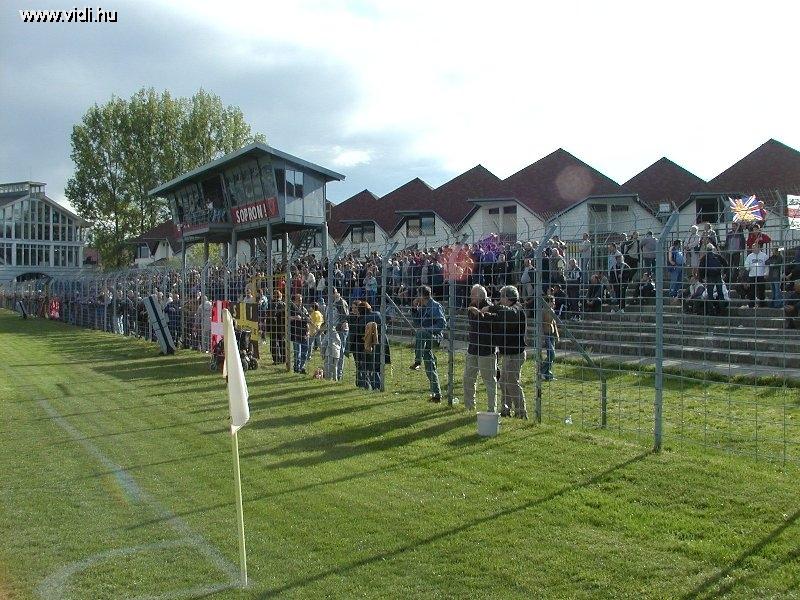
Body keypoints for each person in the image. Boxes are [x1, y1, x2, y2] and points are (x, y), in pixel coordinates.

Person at [484, 285, 527, 418]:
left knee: (512, 383)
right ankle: (505, 409)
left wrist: (491, 308)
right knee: (504, 382)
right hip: (508, 353)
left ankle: (521, 412)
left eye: (501, 297)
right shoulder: (506, 311)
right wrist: (485, 315)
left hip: (515, 354)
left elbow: (508, 314)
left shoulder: (517, 309)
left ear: (507, 298)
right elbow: (498, 320)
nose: (499, 300)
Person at [410, 285, 447, 402]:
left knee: (421, 333)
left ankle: (417, 361)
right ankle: (437, 395)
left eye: (417, 295)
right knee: (430, 365)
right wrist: (414, 308)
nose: (416, 297)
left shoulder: (435, 306)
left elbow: (442, 324)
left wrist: (427, 330)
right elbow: (417, 323)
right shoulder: (423, 307)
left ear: (421, 296)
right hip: (424, 339)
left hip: (435, 337)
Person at [463, 284, 497, 412]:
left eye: (472, 294)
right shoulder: (472, 307)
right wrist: (473, 312)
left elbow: (490, 326)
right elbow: (472, 322)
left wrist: (479, 314)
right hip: (473, 348)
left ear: (480, 295)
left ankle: (491, 409)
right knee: (468, 378)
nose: (470, 296)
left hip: (486, 350)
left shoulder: (490, 307)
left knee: (489, 380)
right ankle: (469, 406)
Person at [699, 243, 727, 315]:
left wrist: (702, 278)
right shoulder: (717, 256)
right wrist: (725, 273)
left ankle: (711, 311)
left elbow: (701, 268)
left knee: (710, 294)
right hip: (718, 275)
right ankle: (722, 310)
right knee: (720, 293)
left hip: (710, 276)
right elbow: (725, 263)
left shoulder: (704, 258)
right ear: (713, 249)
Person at [540, 294, 560, 382]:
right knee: (552, 354)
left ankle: (548, 374)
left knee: (550, 355)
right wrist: (541, 336)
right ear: (547, 302)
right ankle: (542, 370)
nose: (554, 304)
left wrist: (557, 335)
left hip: (551, 334)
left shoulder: (552, 310)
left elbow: (554, 323)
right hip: (546, 334)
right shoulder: (543, 311)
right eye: (552, 302)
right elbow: (540, 323)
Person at [289, 293, 310, 373]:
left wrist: (308, 331)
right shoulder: (291, 309)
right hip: (295, 334)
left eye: (301, 300)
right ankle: (296, 368)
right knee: (297, 353)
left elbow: (308, 320)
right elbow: (287, 318)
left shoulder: (304, 309)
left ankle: (301, 367)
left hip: (304, 334)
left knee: (305, 353)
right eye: (298, 300)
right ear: (294, 301)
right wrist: (295, 317)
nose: (300, 302)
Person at [744, 242, 768, 308]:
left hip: (761, 275)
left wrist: (766, 273)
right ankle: (751, 304)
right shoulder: (750, 256)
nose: (753, 249)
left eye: (755, 247)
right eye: (753, 248)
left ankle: (762, 304)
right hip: (752, 275)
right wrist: (747, 267)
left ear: (759, 248)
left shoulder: (764, 256)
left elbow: (767, 265)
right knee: (752, 291)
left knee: (761, 290)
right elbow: (746, 264)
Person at [268, 290, 286, 365]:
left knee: (274, 343)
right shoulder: (283, 304)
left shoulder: (272, 304)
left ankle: (276, 359)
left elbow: (270, 315)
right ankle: (284, 359)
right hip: (282, 326)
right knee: (282, 342)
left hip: (273, 326)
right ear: (280, 296)